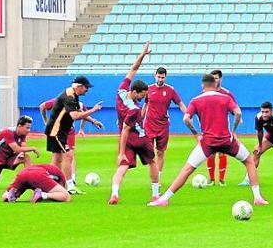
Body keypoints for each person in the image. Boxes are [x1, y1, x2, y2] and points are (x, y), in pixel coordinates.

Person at [148, 74, 268, 207]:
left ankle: (164, 199)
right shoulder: (225, 98)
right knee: (249, 161)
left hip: (207, 142)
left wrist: (196, 134)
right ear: (215, 85)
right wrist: (233, 131)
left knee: (187, 169)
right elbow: (238, 113)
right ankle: (257, 197)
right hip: (227, 140)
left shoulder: (196, 100)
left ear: (202, 85)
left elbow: (186, 119)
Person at [109, 42, 159, 205]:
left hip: (128, 139)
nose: (143, 97)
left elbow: (133, 69)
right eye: (142, 95)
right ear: (135, 92)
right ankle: (156, 195)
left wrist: (142, 55)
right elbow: (126, 128)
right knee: (152, 161)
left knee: (122, 167)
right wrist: (121, 152)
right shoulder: (133, 110)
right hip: (140, 138)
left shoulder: (121, 91)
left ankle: (115, 194)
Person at [44, 75, 101, 196]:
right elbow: (74, 116)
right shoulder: (69, 97)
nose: (87, 90)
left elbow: (80, 113)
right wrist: (93, 110)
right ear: (79, 87)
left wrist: (93, 121)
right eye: (86, 88)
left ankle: (49, 184)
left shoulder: (73, 95)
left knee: (57, 159)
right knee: (68, 156)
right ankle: (70, 186)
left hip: (59, 131)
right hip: (57, 131)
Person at [142, 66, 187, 180]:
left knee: (160, 152)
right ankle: (153, 176)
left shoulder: (170, 90)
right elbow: (145, 105)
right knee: (150, 152)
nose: (160, 79)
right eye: (158, 77)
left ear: (166, 77)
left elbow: (180, 103)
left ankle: (158, 177)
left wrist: (188, 114)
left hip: (163, 125)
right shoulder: (148, 89)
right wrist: (139, 118)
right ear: (154, 75)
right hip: (149, 124)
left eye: (162, 77)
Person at [205, 69, 238, 186]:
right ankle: (212, 179)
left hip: (223, 127)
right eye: (212, 78)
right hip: (209, 127)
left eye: (216, 78)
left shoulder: (227, 94)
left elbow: (235, 110)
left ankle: (222, 179)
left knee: (222, 153)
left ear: (220, 79)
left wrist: (236, 123)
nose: (214, 80)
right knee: (210, 153)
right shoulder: (206, 93)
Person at [2, 164, 70, 203]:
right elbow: (63, 194)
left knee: (6, 194)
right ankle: (42, 195)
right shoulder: (60, 177)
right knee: (66, 196)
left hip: (22, 173)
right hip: (38, 174)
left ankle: (9, 195)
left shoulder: (48, 168)